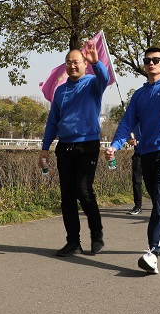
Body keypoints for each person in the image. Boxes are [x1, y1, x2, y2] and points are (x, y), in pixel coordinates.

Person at [105, 39, 160, 274]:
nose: (151, 63)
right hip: (146, 153)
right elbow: (127, 123)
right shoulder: (139, 95)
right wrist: (115, 145)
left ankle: (152, 252)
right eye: (147, 61)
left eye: (156, 60)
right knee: (158, 201)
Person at [39, 40, 109, 257]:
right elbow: (53, 121)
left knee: (83, 190)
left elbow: (105, 78)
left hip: (87, 144)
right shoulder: (60, 91)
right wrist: (45, 148)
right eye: (68, 62)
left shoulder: (93, 84)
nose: (72, 66)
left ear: (84, 64)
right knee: (67, 197)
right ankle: (73, 242)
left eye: (76, 62)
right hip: (65, 146)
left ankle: (96, 234)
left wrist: (97, 63)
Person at [127, 129, 144, 215]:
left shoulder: (152, 122)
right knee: (136, 181)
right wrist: (130, 141)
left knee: (153, 182)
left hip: (150, 155)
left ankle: (158, 205)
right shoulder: (134, 125)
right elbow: (128, 138)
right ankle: (138, 206)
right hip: (138, 156)